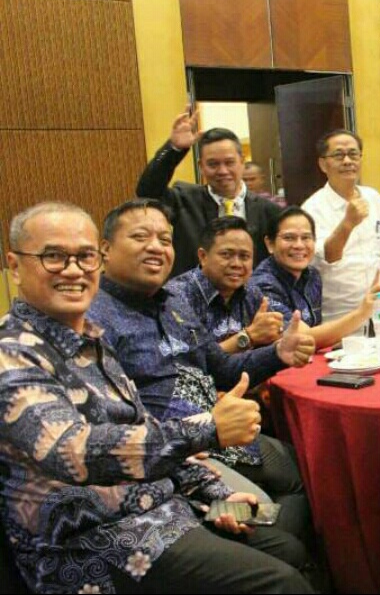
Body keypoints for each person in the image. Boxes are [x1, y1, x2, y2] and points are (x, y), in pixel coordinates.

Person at [0, 202, 312, 593]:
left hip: (160, 503)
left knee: (288, 546)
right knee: (282, 582)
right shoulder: (13, 353)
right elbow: (72, 451)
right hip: (93, 542)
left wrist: (214, 492)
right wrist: (207, 429)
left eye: (84, 257)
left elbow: (143, 425)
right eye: (54, 257)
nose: (74, 270)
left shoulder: (92, 340)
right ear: (15, 266)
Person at [86, 199, 316, 545]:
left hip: (224, 432)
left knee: (309, 474)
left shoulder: (173, 303)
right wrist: (181, 450)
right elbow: (113, 424)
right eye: (140, 237)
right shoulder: (92, 318)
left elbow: (222, 369)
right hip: (179, 455)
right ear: (105, 248)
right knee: (267, 526)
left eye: (164, 239)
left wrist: (278, 353)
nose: (155, 247)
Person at [136, 105, 281, 277]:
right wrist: (174, 149)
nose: (222, 171)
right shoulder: (184, 199)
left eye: (229, 163)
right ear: (201, 166)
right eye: (213, 164)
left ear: (242, 162)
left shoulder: (269, 211)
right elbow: (147, 191)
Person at [301, 129, 380, 326]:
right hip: (338, 320)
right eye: (339, 155)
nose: (347, 161)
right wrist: (347, 224)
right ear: (323, 164)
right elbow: (327, 256)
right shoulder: (312, 209)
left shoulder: (374, 198)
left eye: (353, 154)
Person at [250, 206, 380, 348]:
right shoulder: (262, 285)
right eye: (289, 238)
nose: (299, 245)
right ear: (270, 244)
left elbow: (315, 333)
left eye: (306, 238)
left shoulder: (312, 275)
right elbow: (301, 338)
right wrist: (362, 313)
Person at [166, 216, 283, 354]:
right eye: (226, 255)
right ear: (203, 256)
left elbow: (275, 337)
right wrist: (248, 337)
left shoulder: (252, 293)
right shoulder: (176, 296)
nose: (236, 264)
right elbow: (189, 360)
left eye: (244, 256)